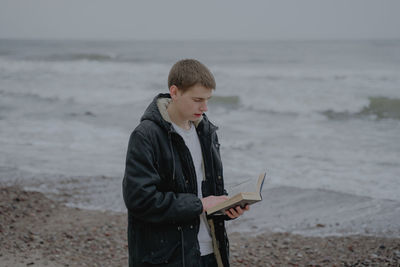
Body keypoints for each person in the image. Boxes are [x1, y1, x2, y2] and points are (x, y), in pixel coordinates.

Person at [122, 59, 249, 267]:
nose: (205, 107)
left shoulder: (207, 133)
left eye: (208, 99)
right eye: (197, 99)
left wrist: (226, 208)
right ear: (174, 92)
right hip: (166, 257)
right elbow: (140, 200)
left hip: (211, 253)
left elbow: (206, 191)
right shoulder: (146, 135)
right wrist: (199, 204)